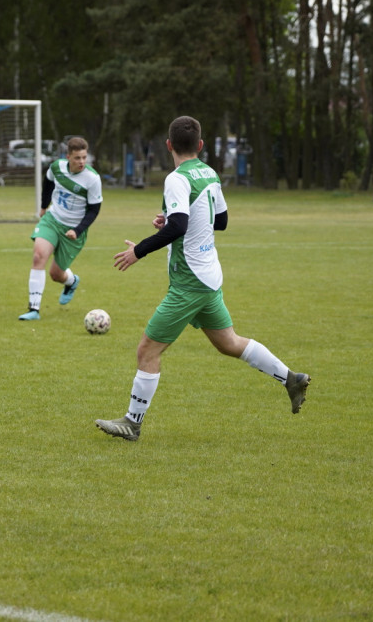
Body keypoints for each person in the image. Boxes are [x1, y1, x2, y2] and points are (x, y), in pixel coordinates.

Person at [94, 116, 310, 442]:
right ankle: (291, 379)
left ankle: (132, 423)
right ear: (200, 145)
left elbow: (180, 226)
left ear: (168, 146)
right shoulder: (208, 172)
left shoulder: (177, 179)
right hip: (210, 276)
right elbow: (219, 221)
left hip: (190, 282)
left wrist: (138, 250)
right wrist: (171, 219)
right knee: (230, 343)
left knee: (146, 351)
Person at [18, 136, 102, 321]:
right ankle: (34, 309)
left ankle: (71, 282)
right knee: (38, 256)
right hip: (52, 219)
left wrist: (78, 230)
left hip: (73, 231)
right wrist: (43, 206)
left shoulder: (92, 179)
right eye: (77, 158)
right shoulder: (57, 167)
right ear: (68, 157)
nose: (81, 162)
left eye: (84, 157)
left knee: (56, 274)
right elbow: (48, 182)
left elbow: (94, 210)